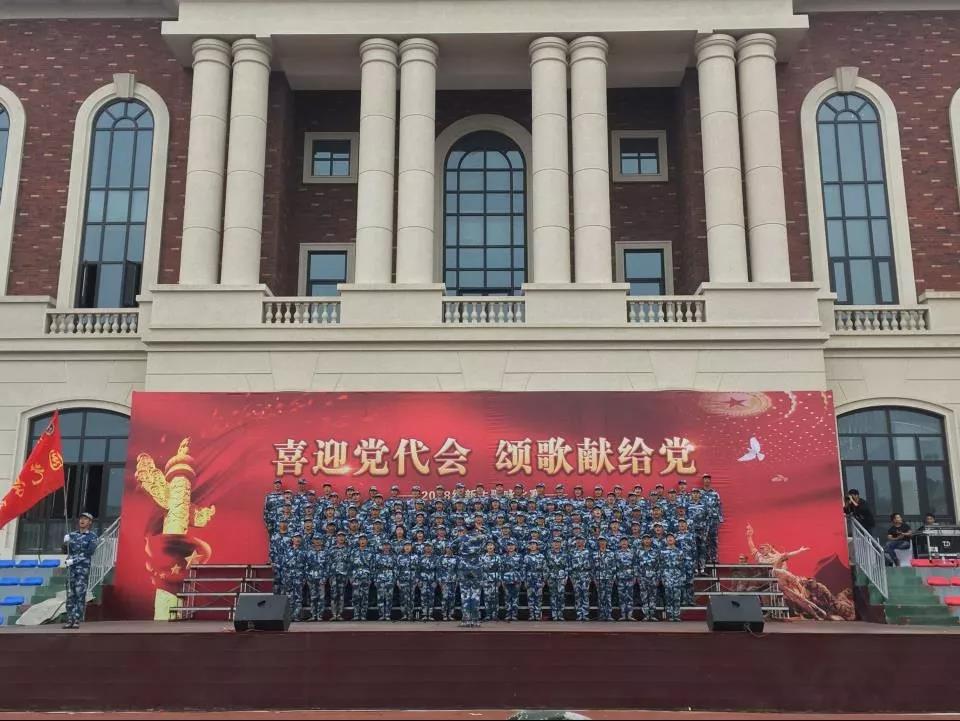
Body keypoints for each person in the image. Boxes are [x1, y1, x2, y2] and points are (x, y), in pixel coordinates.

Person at [62, 512, 98, 629]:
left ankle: (77, 619)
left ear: (90, 522)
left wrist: (74, 560)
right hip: (71, 569)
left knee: (80, 594)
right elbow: (65, 551)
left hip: (82, 570)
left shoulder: (92, 536)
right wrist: (65, 542)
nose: (82, 521)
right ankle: (69, 619)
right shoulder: (72, 535)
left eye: (85, 519)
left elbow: (89, 553)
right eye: (81, 518)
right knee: (70, 594)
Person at [660, 533, 686, 622]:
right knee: (669, 597)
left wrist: (683, 577)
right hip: (667, 577)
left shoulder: (680, 552)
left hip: (677, 577)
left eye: (671, 537)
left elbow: (683, 566)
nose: (670, 539)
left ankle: (676, 615)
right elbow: (660, 566)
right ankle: (670, 615)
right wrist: (662, 577)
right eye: (668, 538)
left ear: (675, 540)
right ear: (666, 540)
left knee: (677, 597)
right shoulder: (662, 552)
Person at [349, 533, 375, 621]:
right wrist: (350, 577)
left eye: (364, 539)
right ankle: (356, 614)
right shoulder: (354, 551)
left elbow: (372, 566)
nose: (362, 541)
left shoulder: (370, 552)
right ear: (358, 541)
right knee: (355, 596)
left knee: (365, 596)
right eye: (361, 539)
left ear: (367, 541)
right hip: (356, 576)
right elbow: (350, 565)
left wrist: (371, 578)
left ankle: (363, 615)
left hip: (366, 576)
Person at [282, 534, 307, 622]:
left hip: (299, 577)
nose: (298, 539)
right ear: (292, 539)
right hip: (289, 577)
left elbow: (306, 566)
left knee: (298, 597)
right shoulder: (287, 551)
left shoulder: (304, 552)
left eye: (299, 538)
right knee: (289, 597)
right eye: (296, 538)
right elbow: (283, 565)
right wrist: (284, 577)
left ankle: (296, 615)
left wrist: (305, 577)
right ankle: (289, 616)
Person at [635, 534, 660, 622]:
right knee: (644, 597)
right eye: (644, 539)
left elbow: (658, 566)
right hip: (642, 577)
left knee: (653, 596)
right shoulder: (638, 551)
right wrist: (637, 576)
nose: (646, 541)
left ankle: (652, 615)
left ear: (651, 541)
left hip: (653, 577)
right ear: (642, 541)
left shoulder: (655, 552)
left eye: (648, 539)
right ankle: (646, 615)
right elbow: (636, 565)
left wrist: (658, 577)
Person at [327, 531, 351, 620]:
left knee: (341, 595)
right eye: (339, 536)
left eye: (343, 536)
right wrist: (329, 575)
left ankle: (340, 614)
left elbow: (349, 563)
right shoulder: (331, 549)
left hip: (343, 575)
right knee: (333, 595)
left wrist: (349, 575)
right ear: (336, 538)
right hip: (333, 575)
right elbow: (328, 563)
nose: (341, 538)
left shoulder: (348, 549)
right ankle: (334, 614)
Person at [592, 536, 617, 621]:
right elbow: (593, 568)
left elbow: (614, 566)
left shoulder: (611, 553)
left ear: (606, 542)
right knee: (601, 596)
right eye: (600, 541)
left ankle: (609, 614)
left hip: (609, 577)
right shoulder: (595, 554)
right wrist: (594, 578)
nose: (602, 543)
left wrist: (613, 578)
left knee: (608, 596)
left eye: (603, 541)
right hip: (599, 578)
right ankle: (602, 614)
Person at [568, 536, 591, 621]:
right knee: (577, 595)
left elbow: (592, 565)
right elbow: (569, 565)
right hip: (576, 575)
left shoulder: (588, 552)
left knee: (585, 595)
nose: (579, 542)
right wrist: (571, 577)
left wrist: (590, 577)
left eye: (581, 540)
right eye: (577, 540)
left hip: (586, 575)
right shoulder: (572, 552)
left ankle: (585, 614)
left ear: (584, 542)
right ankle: (579, 614)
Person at [523, 540, 547, 621]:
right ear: (529, 546)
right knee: (530, 598)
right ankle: (531, 615)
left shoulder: (541, 556)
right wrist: (525, 580)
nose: (532, 546)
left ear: (537, 546)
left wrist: (544, 580)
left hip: (538, 579)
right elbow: (524, 570)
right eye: (531, 544)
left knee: (538, 598)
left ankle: (537, 614)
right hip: (529, 579)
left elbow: (545, 569)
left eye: (534, 544)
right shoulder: (526, 557)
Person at [545, 538, 568, 621]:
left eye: (558, 542)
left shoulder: (565, 554)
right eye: (554, 542)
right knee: (553, 596)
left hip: (561, 577)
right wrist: (547, 578)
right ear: (552, 544)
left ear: (561, 544)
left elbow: (567, 567)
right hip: (552, 577)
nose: (556, 544)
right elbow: (546, 566)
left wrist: (566, 578)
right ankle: (554, 615)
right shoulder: (548, 553)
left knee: (561, 596)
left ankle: (560, 614)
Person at [306, 536, 328, 621]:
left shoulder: (325, 552)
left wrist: (325, 577)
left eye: (319, 539)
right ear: (313, 541)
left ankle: (320, 615)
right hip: (311, 577)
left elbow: (327, 566)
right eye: (315, 540)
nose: (317, 541)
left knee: (321, 597)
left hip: (321, 577)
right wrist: (308, 577)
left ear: (322, 541)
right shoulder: (309, 553)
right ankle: (313, 615)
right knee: (313, 597)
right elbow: (306, 566)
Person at [396, 540, 419, 621]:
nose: (407, 547)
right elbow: (397, 569)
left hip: (412, 579)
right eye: (405, 545)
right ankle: (404, 614)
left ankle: (410, 614)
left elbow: (418, 569)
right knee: (403, 597)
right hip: (402, 579)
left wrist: (417, 579)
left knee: (411, 597)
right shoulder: (400, 557)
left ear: (411, 547)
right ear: (403, 547)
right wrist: (397, 580)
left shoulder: (415, 556)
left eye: (409, 545)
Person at [614, 537, 636, 621]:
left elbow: (635, 565)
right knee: (621, 596)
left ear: (628, 543)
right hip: (620, 576)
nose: (624, 542)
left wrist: (635, 576)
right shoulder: (616, 553)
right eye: (622, 541)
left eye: (625, 541)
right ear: (620, 543)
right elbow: (614, 566)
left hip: (630, 577)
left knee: (630, 596)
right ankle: (623, 615)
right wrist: (615, 577)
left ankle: (630, 615)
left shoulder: (632, 552)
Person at [500, 540, 523, 621]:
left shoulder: (519, 556)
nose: (510, 547)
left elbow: (522, 569)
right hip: (506, 579)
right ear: (506, 547)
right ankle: (508, 614)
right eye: (509, 545)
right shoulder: (503, 557)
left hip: (516, 579)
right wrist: (502, 580)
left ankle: (514, 614)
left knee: (515, 598)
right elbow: (501, 569)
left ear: (515, 546)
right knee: (507, 597)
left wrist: (521, 580)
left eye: (512, 545)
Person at [418, 540, 440, 621]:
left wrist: (436, 581)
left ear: (432, 548)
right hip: (423, 580)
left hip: (432, 580)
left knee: (431, 597)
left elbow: (438, 571)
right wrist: (418, 580)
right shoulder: (420, 558)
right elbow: (418, 570)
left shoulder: (436, 558)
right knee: (423, 597)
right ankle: (424, 614)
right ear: (424, 548)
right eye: (426, 546)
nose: (428, 548)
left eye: (429, 546)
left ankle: (430, 614)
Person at [374, 541, 397, 621]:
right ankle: (381, 615)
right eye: (384, 545)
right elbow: (374, 568)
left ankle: (387, 615)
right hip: (380, 577)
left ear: (390, 546)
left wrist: (395, 579)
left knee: (389, 597)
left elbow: (396, 568)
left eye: (387, 545)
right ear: (382, 546)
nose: (386, 547)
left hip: (390, 577)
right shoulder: (377, 556)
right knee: (380, 597)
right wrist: (375, 579)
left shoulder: (393, 556)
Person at [480, 541, 502, 621]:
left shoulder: (497, 557)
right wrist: (481, 580)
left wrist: (499, 580)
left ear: (494, 547)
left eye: (491, 545)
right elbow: (480, 570)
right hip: (486, 579)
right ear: (486, 547)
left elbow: (500, 569)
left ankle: (495, 615)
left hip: (495, 579)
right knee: (487, 598)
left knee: (495, 598)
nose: (490, 547)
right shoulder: (482, 557)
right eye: (488, 545)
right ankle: (488, 615)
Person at [439, 545, 460, 621]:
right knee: (445, 598)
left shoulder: (456, 558)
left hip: (453, 581)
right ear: (445, 549)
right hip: (444, 581)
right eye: (447, 548)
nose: (449, 549)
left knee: (452, 598)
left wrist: (458, 580)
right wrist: (439, 580)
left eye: (451, 548)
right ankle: (444, 615)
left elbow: (458, 570)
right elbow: (439, 570)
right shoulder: (441, 558)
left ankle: (451, 614)